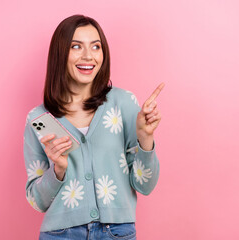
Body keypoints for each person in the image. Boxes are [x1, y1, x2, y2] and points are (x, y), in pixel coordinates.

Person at [23, 14, 164, 239]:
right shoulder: (39, 118)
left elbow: (145, 185)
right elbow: (37, 201)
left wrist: (145, 138)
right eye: (76, 46)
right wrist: (58, 170)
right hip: (60, 234)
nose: (88, 56)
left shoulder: (124, 104)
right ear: (60, 54)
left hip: (117, 231)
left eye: (96, 46)